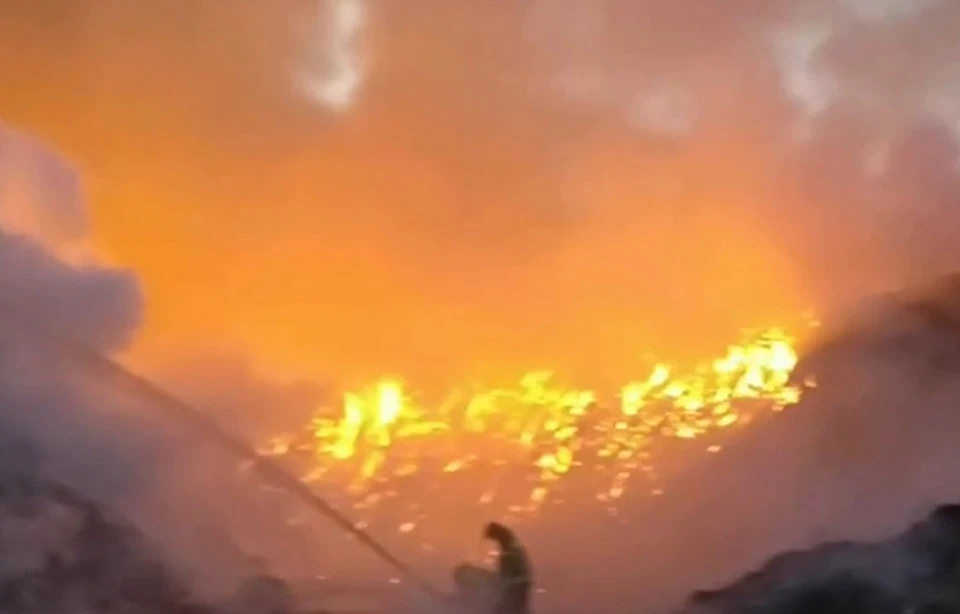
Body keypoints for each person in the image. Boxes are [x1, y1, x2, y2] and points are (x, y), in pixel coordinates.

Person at [483, 522, 533, 614]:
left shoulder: (509, 546)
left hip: (516, 585)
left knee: (509, 609)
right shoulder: (510, 543)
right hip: (519, 583)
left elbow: (507, 568)